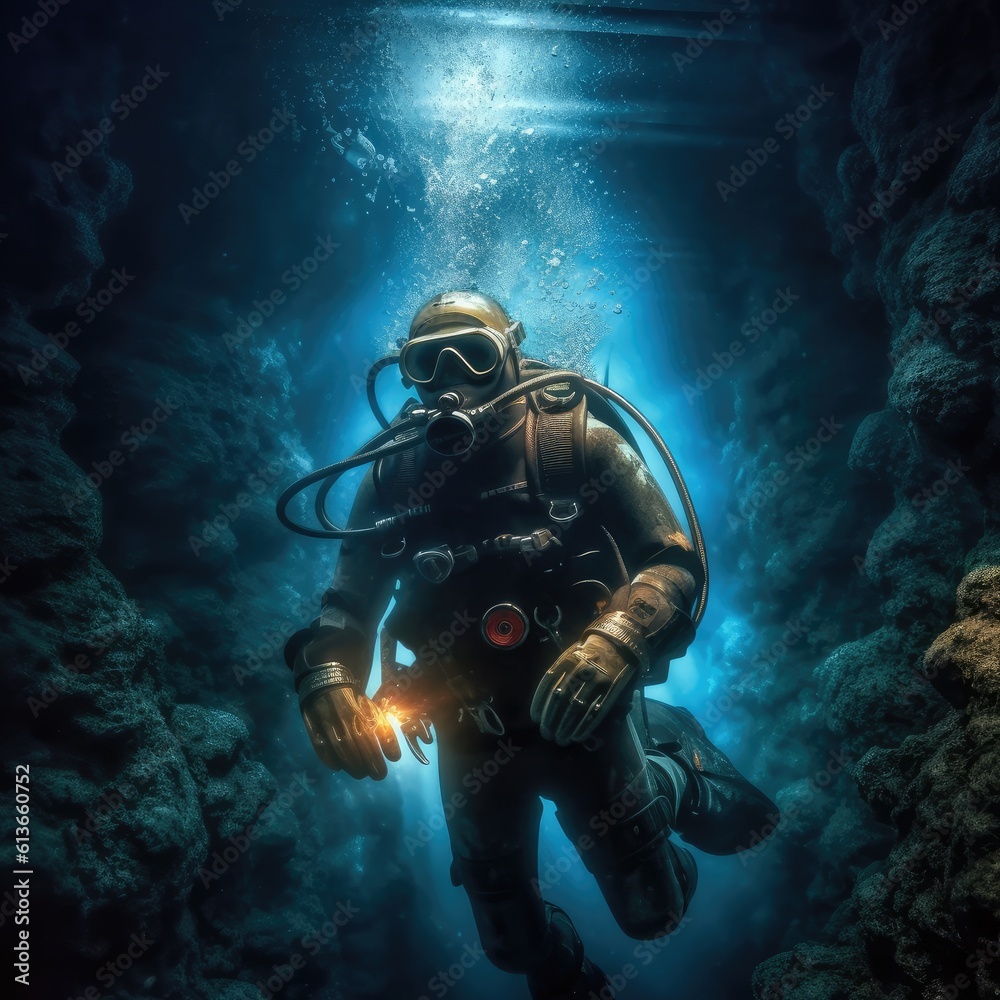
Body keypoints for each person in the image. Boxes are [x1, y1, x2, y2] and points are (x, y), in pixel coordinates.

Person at [281, 291, 777, 999]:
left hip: (583, 708)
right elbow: (347, 607)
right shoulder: (393, 477)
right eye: (428, 364)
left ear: (512, 352)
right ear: (406, 376)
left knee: (653, 913)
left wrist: (618, 638)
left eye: (475, 356)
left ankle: (673, 770)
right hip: (467, 725)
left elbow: (672, 560)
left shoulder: (577, 442)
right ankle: (571, 979)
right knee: (510, 944)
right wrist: (326, 677)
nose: (452, 380)